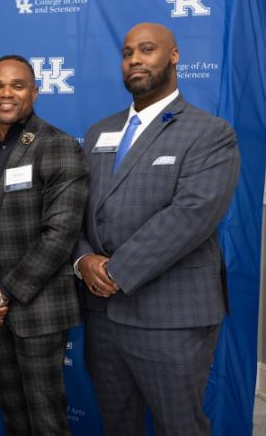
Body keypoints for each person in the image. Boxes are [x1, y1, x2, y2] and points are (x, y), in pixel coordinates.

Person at [74, 22, 240, 435]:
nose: (135, 60)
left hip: (171, 318)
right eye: (128, 52)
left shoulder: (210, 133)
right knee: (118, 426)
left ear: (174, 56)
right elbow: (71, 210)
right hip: (104, 318)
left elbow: (191, 216)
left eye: (147, 50)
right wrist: (82, 260)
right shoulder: (98, 132)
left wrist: (113, 271)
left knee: (179, 427)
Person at [0, 55, 88, 435]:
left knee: (46, 421)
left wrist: (3, 293)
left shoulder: (58, 145)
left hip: (39, 310)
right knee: (14, 418)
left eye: (17, 85)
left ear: (34, 91)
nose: (6, 94)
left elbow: (60, 234)